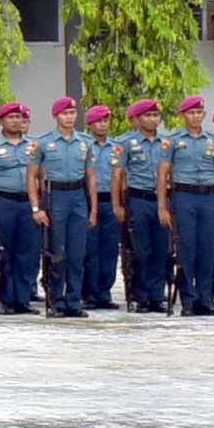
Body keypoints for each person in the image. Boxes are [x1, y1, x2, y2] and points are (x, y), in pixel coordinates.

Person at [164, 96, 214, 315]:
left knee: (208, 250)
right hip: (184, 196)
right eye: (191, 112)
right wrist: (163, 206)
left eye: (199, 112)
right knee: (187, 249)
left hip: (209, 197)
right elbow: (162, 172)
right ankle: (188, 300)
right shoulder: (172, 140)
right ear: (183, 115)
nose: (195, 116)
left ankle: (205, 299)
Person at [0, 103, 45, 315]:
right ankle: (6, 300)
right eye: (11, 117)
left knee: (28, 252)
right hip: (4, 203)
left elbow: (42, 175)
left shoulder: (34, 146)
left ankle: (23, 299)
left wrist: (42, 205)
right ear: (1, 121)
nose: (16, 121)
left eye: (19, 117)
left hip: (28, 203)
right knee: (5, 253)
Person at [38, 98, 96, 318]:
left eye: (73, 112)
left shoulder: (85, 143)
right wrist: (37, 207)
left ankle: (74, 300)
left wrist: (93, 209)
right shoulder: (44, 142)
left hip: (78, 196)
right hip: (56, 196)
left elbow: (91, 177)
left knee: (77, 253)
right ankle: (56, 300)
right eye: (65, 113)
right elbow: (32, 176)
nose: (70, 117)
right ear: (56, 116)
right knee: (57, 252)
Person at [117, 99, 171, 312]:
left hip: (161, 200)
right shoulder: (126, 143)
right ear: (137, 119)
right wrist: (118, 204)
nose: (152, 119)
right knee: (141, 250)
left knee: (161, 249)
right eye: (148, 116)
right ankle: (141, 295)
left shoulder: (166, 143)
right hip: (138, 199)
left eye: (155, 115)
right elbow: (118, 175)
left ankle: (157, 296)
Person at [84, 104, 124, 310]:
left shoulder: (117, 147)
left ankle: (104, 292)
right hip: (89, 200)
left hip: (110, 200)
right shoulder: (83, 145)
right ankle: (89, 293)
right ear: (90, 124)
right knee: (90, 248)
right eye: (98, 121)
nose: (102, 124)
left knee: (109, 248)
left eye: (106, 120)